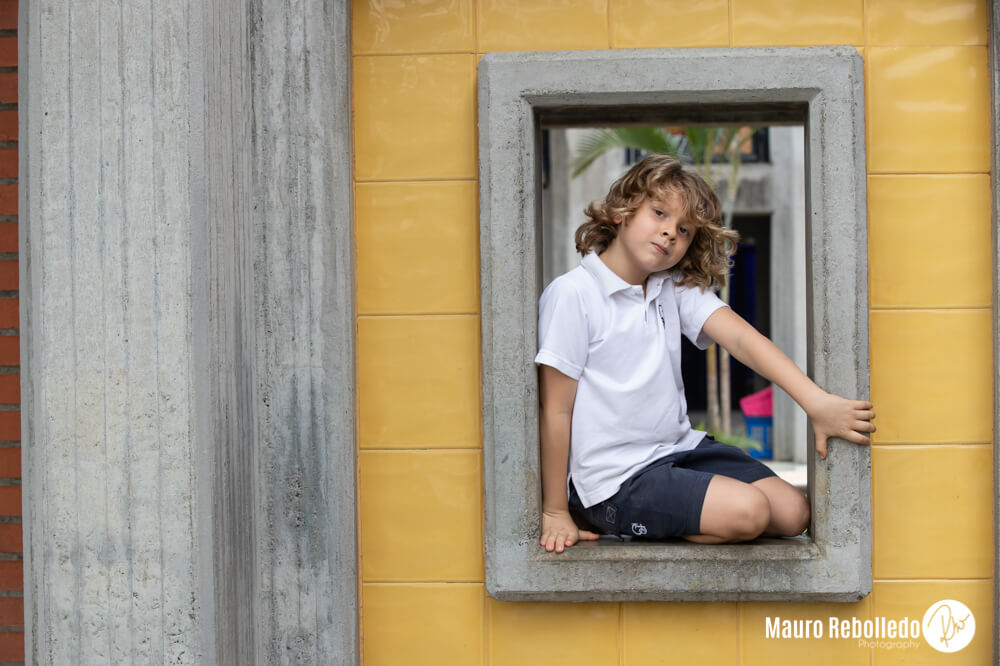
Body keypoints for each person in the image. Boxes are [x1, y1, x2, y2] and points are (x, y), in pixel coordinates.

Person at [536, 154, 875, 553]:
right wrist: (555, 510)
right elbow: (555, 410)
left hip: (678, 449)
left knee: (793, 513)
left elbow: (743, 341)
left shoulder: (671, 286)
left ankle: (679, 514)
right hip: (616, 477)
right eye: (658, 213)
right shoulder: (574, 293)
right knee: (749, 513)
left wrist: (816, 403)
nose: (669, 233)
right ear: (621, 212)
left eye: (683, 229)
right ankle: (610, 515)